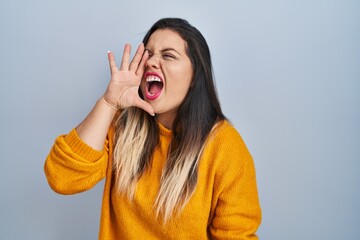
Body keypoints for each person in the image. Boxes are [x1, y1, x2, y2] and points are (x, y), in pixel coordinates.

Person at [44, 17, 261, 239]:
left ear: (195, 75)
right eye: (148, 54)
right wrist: (108, 103)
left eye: (168, 55)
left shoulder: (226, 148)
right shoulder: (122, 126)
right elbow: (62, 178)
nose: (150, 62)